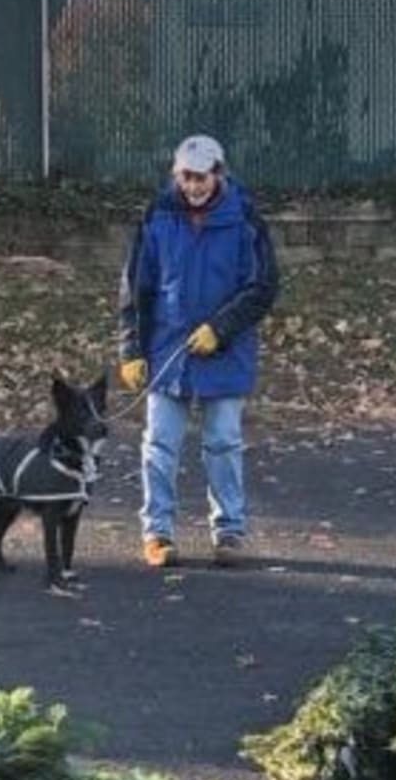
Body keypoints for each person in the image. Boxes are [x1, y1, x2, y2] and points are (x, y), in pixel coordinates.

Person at [118, 134, 279, 568]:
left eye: (201, 177)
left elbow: (263, 287)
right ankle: (158, 533)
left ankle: (229, 530)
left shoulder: (245, 218)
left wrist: (220, 329)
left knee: (223, 442)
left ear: (218, 173)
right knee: (160, 445)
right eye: (186, 177)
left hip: (225, 352)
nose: (194, 186)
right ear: (177, 175)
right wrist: (132, 348)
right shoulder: (157, 215)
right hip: (168, 348)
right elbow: (136, 287)